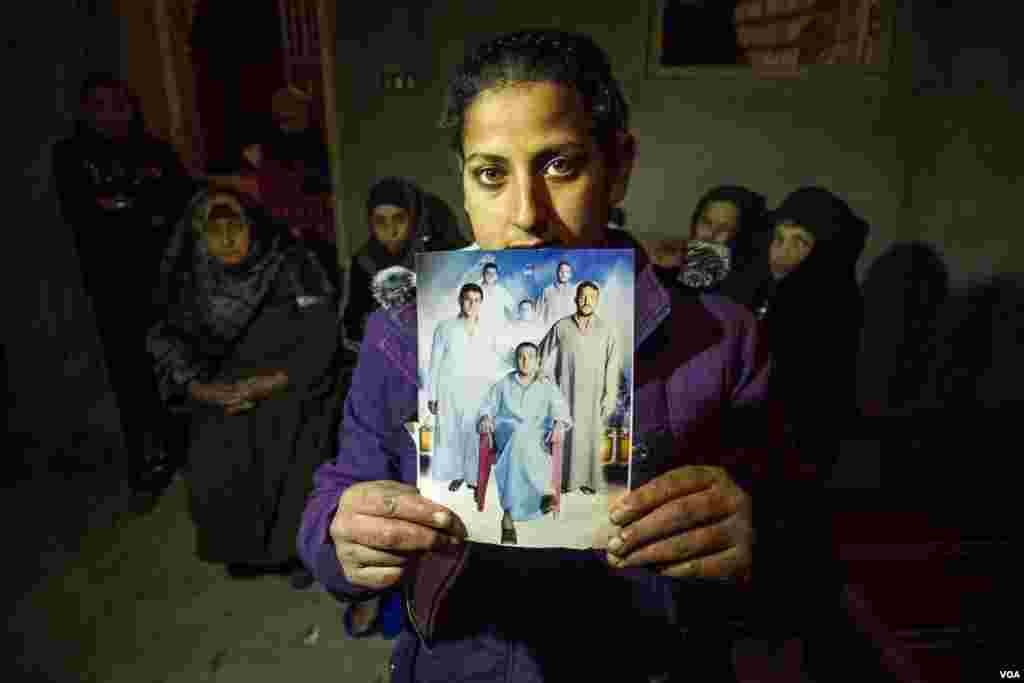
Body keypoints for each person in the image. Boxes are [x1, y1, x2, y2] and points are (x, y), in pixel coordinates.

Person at [299, 30, 790, 682]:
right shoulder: (401, 337)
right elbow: (340, 488)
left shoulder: (721, 339)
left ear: (618, 166)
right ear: (463, 182)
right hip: (458, 661)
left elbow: (793, 519)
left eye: (560, 166)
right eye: (491, 174)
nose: (526, 214)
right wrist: (339, 531)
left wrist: (758, 532)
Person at [148, 188, 338, 589]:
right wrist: (202, 389)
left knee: (294, 432)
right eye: (214, 229)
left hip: (291, 379)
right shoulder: (189, 277)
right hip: (221, 385)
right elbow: (167, 341)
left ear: (252, 225)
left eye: (235, 225)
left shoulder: (292, 263)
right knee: (216, 440)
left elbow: (322, 335)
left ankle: (297, 549)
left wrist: (273, 382)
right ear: (199, 234)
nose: (227, 238)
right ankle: (241, 548)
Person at [53, 72, 197, 489]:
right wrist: (139, 212)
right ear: (86, 111)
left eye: (120, 104)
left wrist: (128, 209)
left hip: (166, 283)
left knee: (175, 367)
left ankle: (183, 453)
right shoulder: (71, 155)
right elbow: (89, 216)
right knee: (131, 379)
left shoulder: (155, 152)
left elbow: (180, 206)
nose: (113, 113)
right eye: (101, 105)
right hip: (111, 289)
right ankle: (146, 462)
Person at [344, 177, 467, 346]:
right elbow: (353, 325)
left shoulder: (436, 257)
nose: (391, 230)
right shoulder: (364, 262)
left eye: (399, 219)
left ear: (414, 219)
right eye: (380, 221)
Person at [477, 342, 572, 545]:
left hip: (536, 438)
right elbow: (487, 405)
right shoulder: (504, 384)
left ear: (538, 361)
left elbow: (561, 409)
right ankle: (544, 491)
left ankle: (508, 517)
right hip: (507, 433)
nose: (525, 360)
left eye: (530, 356)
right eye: (521, 356)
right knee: (518, 436)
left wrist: (558, 423)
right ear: (516, 360)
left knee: (523, 444)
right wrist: (485, 416)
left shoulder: (546, 385)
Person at [537, 281, 620, 495]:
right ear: (575, 299)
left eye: (591, 297)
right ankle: (564, 482)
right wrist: (539, 375)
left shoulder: (606, 330)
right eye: (582, 296)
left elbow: (612, 366)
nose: (586, 301)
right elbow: (539, 354)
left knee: (589, 437)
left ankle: (588, 482)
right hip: (566, 392)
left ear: (597, 301)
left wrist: (609, 395)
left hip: (594, 395)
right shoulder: (561, 326)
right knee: (565, 436)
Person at [427, 284, 507, 494]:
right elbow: (434, 362)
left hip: (478, 389)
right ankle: (458, 474)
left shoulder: (489, 329)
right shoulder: (445, 327)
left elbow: (500, 356)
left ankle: (473, 476)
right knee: (452, 433)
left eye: (477, 300)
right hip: (450, 389)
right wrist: (432, 395)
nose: (472, 304)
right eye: (468, 299)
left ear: (481, 303)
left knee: (474, 432)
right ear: (460, 301)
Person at [689, 185, 769, 309]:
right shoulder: (672, 264)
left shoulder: (746, 289)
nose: (710, 235)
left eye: (724, 228)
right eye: (706, 222)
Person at [475, 262, 516, 334]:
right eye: (488, 273)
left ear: (496, 276)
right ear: (483, 274)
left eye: (493, 273)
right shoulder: (475, 289)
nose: (491, 276)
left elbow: (513, 307)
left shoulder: (501, 291)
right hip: (480, 329)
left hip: (499, 330)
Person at [537, 260, 578, 326]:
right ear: (556, 273)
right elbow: (539, 312)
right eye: (561, 271)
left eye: (567, 272)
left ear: (570, 275)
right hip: (551, 327)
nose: (564, 274)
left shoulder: (575, 291)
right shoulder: (547, 290)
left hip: (570, 328)